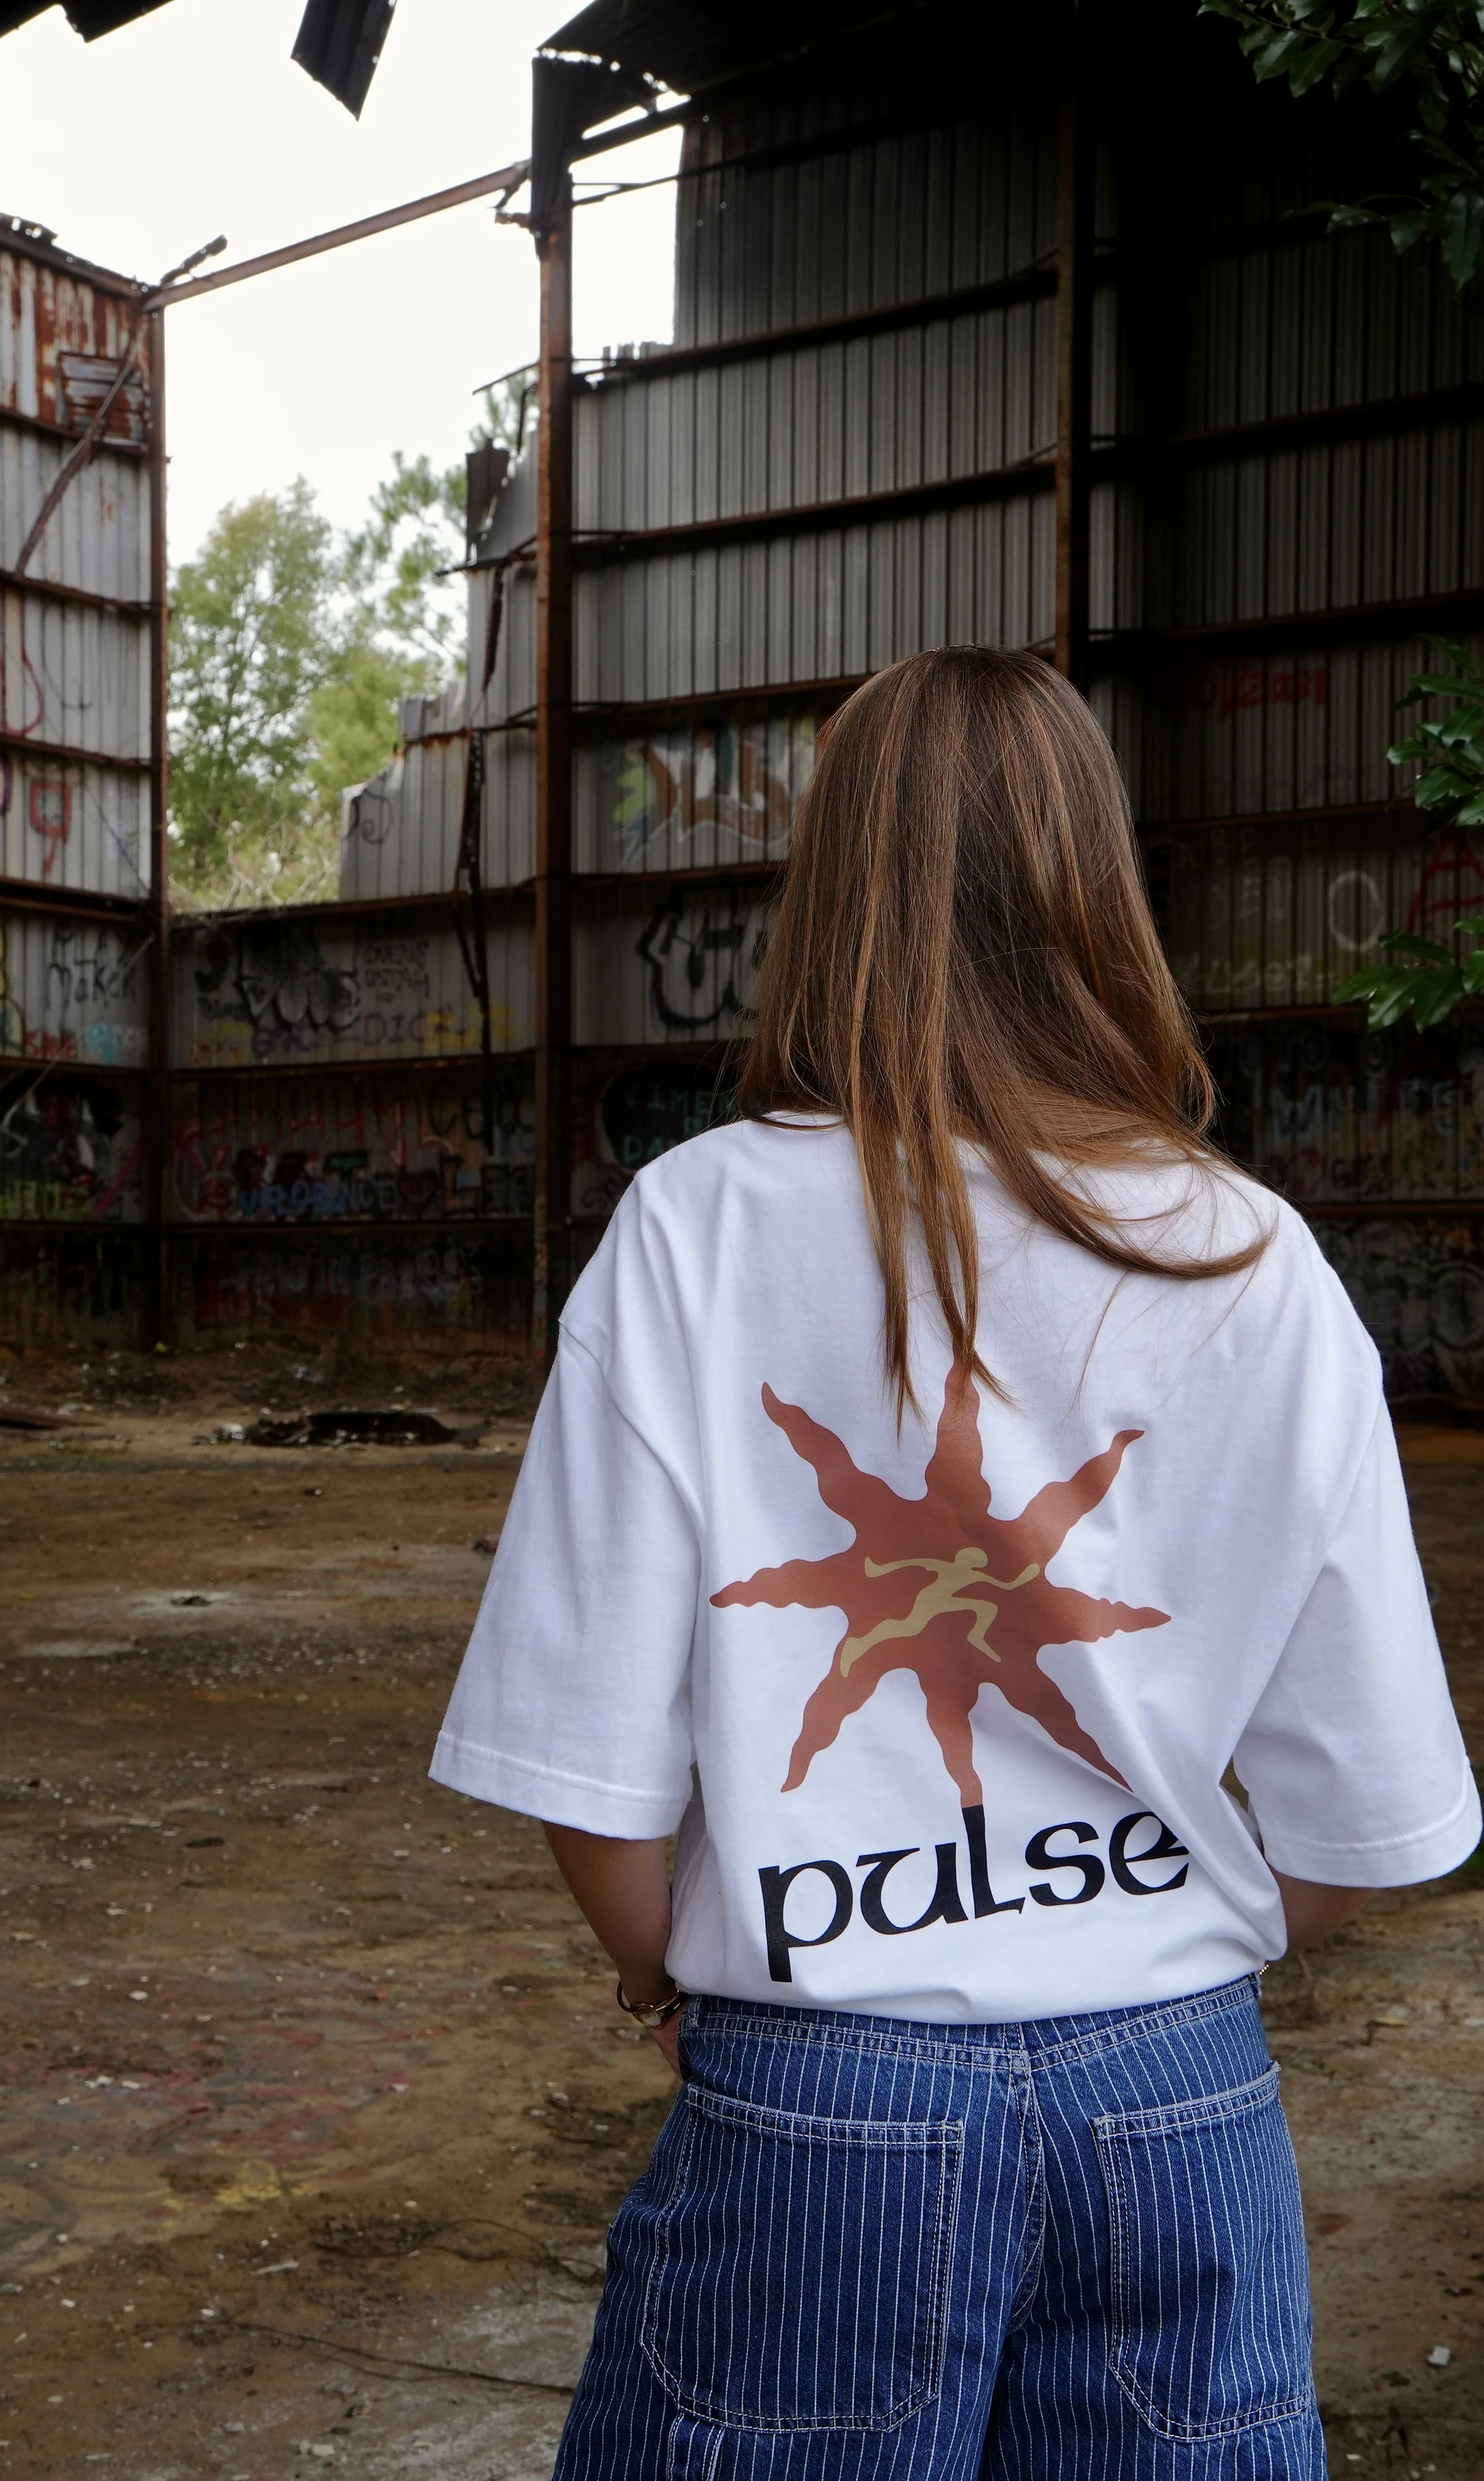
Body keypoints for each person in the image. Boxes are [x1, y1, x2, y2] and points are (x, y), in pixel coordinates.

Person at [431, 647, 1479, 2480]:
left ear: (826, 883)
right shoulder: (1255, 1257)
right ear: (1099, 886)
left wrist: (680, 1958)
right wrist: (1132, 1934)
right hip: (1178, 2100)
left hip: (818, 2092)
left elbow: (584, 1772)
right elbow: (1361, 1823)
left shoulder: (695, 1226)